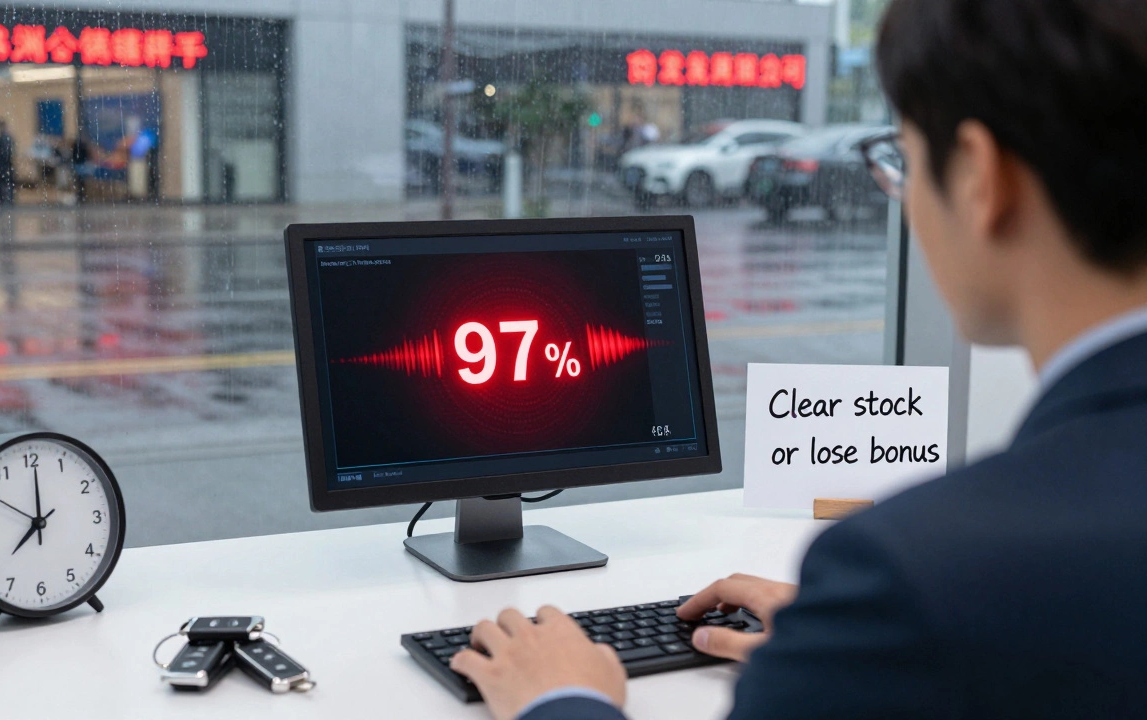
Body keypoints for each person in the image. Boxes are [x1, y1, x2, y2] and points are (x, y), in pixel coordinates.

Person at [452, 1, 1147, 718]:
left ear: (978, 176)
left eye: (902, 160)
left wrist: (563, 699)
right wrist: (849, 650)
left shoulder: (913, 572)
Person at [0, 119, 15, 207]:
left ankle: (3, 200)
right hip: (6, 163)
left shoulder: (0, 139)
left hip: (3, 164)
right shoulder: (8, 138)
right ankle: (8, 200)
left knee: (2, 183)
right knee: (5, 183)